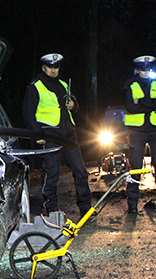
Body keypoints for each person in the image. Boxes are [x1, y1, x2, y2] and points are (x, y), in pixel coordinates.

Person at [22, 53, 92, 217]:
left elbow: (74, 104)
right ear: (44, 67)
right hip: (49, 135)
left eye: (56, 67)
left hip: (69, 134)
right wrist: (36, 134)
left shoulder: (63, 84)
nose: (54, 70)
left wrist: (74, 105)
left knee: (81, 171)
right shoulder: (35, 86)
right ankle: (51, 208)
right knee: (51, 173)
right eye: (50, 67)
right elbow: (27, 112)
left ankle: (86, 208)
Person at [122, 55, 156, 214]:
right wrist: (151, 104)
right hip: (137, 131)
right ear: (137, 69)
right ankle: (132, 204)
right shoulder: (130, 84)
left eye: (148, 68)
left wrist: (141, 102)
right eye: (143, 68)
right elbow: (130, 107)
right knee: (134, 168)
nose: (145, 71)